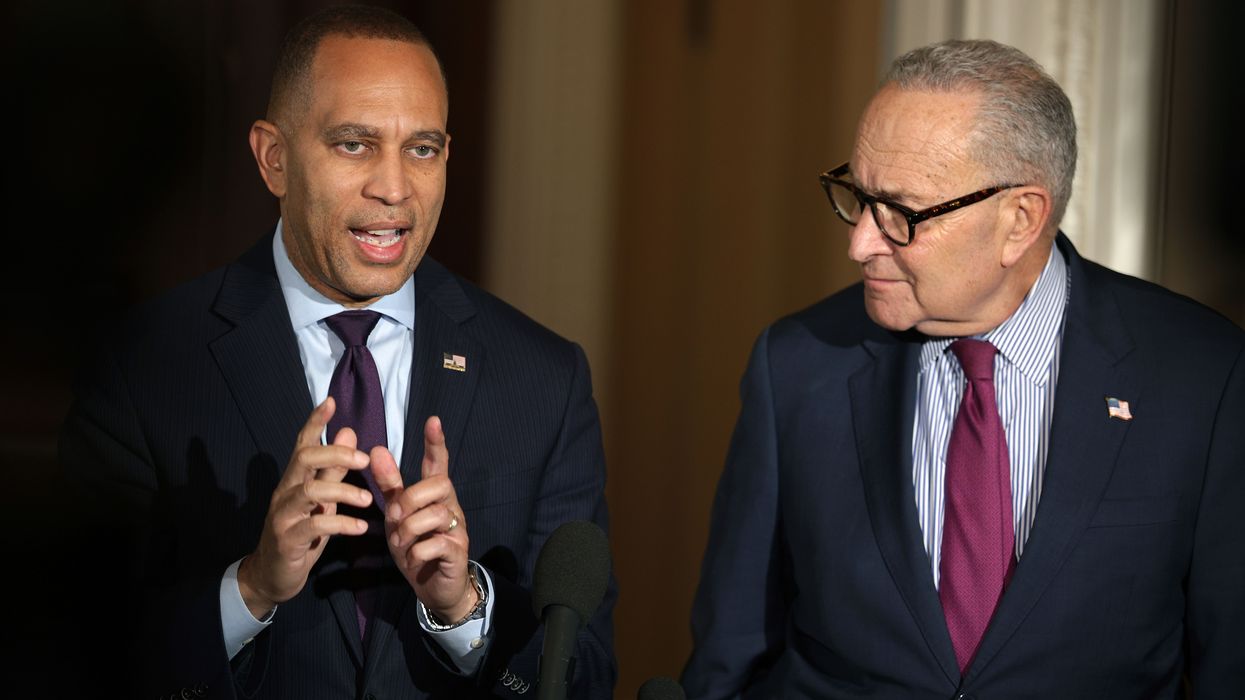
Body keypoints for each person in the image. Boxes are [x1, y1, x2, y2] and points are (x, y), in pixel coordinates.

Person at [59, 5, 614, 698]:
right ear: (274, 159)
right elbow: (76, 653)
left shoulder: (544, 378)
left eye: (422, 148)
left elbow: (586, 674)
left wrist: (464, 612)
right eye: (354, 144)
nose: (394, 188)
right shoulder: (142, 365)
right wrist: (251, 588)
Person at [682, 39, 1243, 698]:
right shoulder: (798, 365)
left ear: (1019, 219)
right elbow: (730, 659)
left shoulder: (1200, 376)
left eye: (902, 213)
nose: (859, 243)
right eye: (857, 197)